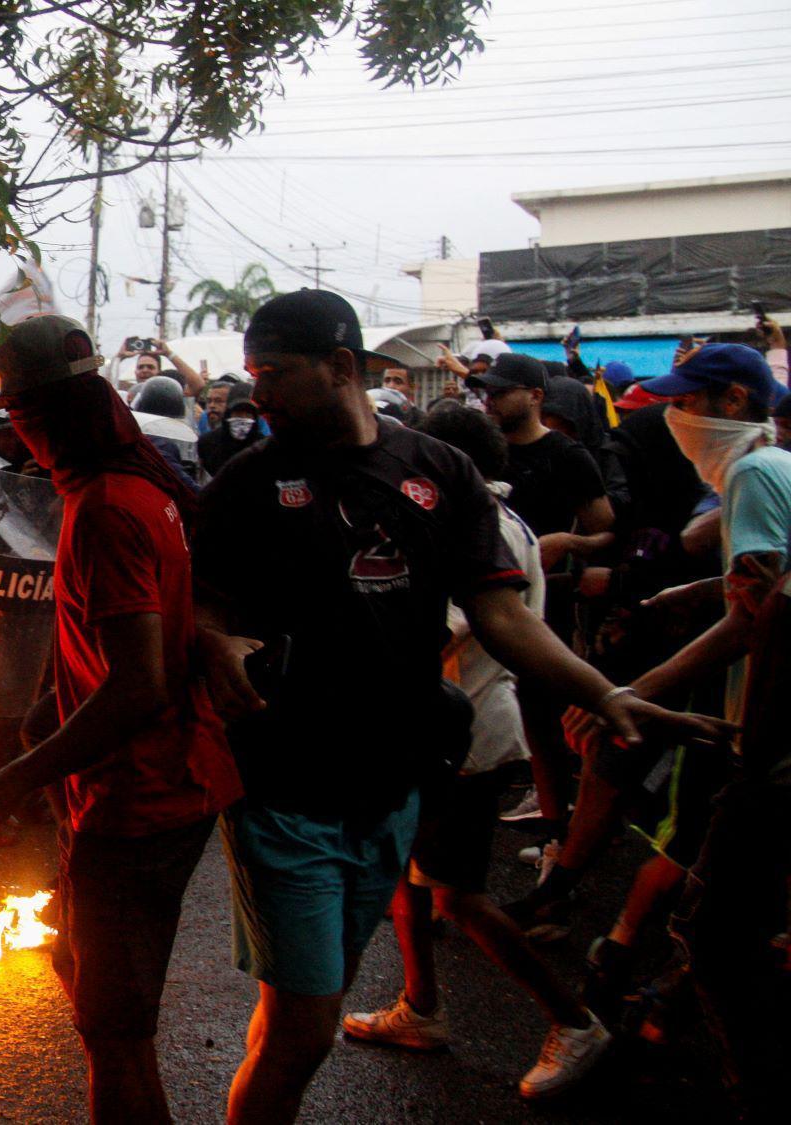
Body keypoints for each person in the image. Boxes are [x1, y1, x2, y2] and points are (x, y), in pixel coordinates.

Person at [193, 289, 727, 1125]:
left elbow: (503, 614)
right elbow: (196, 599)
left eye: (276, 373)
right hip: (284, 788)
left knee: (300, 1015)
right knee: (303, 1034)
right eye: (254, 372)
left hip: (394, 786)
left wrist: (605, 691)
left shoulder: (439, 472)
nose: (257, 392)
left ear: (342, 368)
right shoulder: (245, 484)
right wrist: (214, 638)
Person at [0, 314, 240, 1125]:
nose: (20, 438)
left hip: (141, 792)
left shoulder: (109, 506)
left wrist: (10, 780)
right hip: (153, 778)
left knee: (113, 1031)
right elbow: (145, 643)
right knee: (85, 974)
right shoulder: (137, 485)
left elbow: (140, 683)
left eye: (19, 419)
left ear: (40, 419)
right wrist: (49, 713)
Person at [343, 405, 612, 1099]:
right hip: (449, 728)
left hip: (464, 737)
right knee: (411, 872)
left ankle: (574, 1020)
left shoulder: (476, 525)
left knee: (460, 896)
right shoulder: (496, 518)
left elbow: (444, 631)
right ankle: (421, 1005)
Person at [596, 344, 791, 1117]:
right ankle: (666, 1015)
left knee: (717, 931)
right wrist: (696, 587)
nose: (676, 419)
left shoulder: (750, 474)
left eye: (689, 402)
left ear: (736, 399)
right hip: (770, 725)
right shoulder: (776, 465)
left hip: (773, 733)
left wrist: (632, 693)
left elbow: (754, 618)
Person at [467, 351, 614, 855]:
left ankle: (558, 837)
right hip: (475, 602)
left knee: (541, 718)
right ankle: (450, 851)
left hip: (536, 601)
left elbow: (605, 529)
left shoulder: (566, 455)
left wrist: (567, 544)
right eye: (486, 391)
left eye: (501, 391)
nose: (490, 399)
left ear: (535, 397)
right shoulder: (478, 451)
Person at [200, 390, 265, 476]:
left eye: (248, 415)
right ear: (228, 415)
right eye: (238, 414)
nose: (243, 418)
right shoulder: (208, 442)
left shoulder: (263, 446)